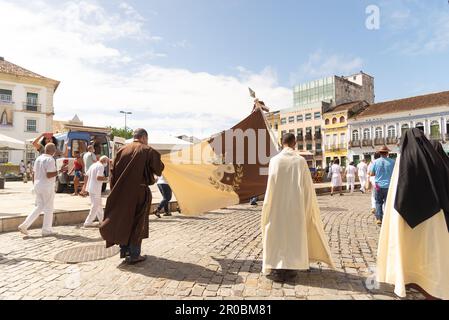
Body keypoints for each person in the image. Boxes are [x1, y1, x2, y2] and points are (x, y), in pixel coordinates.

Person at [377, 128, 449, 299]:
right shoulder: (433, 158)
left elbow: (398, 192)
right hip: (434, 214)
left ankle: (408, 279)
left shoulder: (403, 158)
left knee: (409, 250)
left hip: (405, 216)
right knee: (432, 251)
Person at [261, 133, 334, 277]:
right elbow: (307, 188)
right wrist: (308, 208)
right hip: (296, 206)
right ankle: (292, 264)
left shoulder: (274, 161)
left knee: (278, 234)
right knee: (294, 234)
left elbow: (270, 187)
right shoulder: (300, 161)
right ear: (295, 143)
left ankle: (277, 265)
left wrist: (267, 207)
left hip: (277, 206)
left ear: (282, 143)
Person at [100, 128, 164, 265]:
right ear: (144, 138)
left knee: (124, 219)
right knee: (138, 222)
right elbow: (158, 169)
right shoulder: (147, 150)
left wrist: (115, 191)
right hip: (139, 192)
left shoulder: (122, 150)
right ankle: (134, 254)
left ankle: (125, 251)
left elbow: (113, 172)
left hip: (121, 192)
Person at [18, 143, 60, 236]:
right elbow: (49, 175)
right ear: (53, 151)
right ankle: (46, 230)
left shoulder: (38, 158)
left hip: (38, 185)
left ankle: (24, 225)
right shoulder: (50, 159)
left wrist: (34, 184)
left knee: (39, 207)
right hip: (47, 186)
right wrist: (60, 171)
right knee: (49, 208)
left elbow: (33, 173)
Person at [369, 146, 395, 226]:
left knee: (378, 202)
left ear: (380, 153)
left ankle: (379, 219)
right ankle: (388, 217)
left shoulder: (375, 162)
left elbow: (371, 174)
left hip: (378, 185)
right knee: (388, 202)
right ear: (387, 153)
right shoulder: (392, 162)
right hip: (389, 185)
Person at [83, 156, 109, 228]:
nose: (106, 163)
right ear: (104, 161)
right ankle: (88, 222)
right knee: (95, 205)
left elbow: (86, 175)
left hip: (91, 188)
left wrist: (85, 186)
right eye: (106, 162)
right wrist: (107, 178)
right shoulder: (101, 166)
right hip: (96, 188)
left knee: (98, 204)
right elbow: (98, 177)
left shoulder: (93, 165)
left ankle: (102, 220)